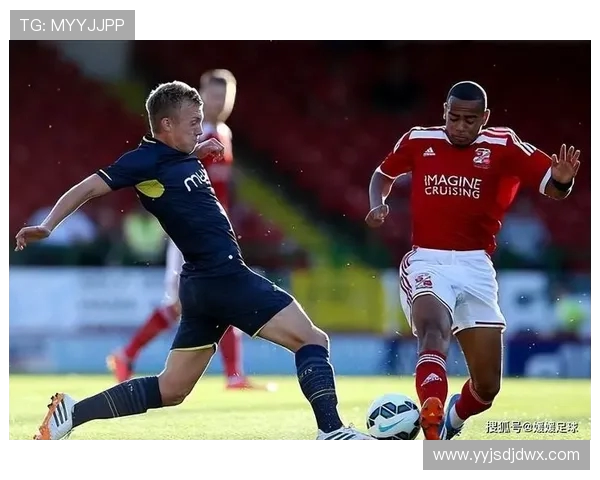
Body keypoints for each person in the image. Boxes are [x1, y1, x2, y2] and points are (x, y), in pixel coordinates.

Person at [16, 80, 373, 441]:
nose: (200, 128)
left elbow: (175, 166)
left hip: (201, 285)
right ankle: (332, 431)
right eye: (193, 122)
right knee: (311, 339)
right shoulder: (143, 160)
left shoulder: (178, 154)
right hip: (223, 276)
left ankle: (71, 413)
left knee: (172, 388)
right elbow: (88, 187)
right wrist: (48, 225)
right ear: (166, 124)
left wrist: (197, 151)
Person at [365, 80, 581, 440]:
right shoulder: (418, 139)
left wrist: (562, 182)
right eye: (454, 118)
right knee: (433, 330)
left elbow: (552, 186)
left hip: (476, 267)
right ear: (444, 112)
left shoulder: (504, 144)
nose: (460, 127)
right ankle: (432, 417)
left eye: (470, 120)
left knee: (487, 388)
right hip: (427, 260)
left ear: (485, 117)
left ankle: (452, 418)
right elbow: (382, 175)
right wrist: (377, 203)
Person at [106, 70, 271, 391]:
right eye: (214, 95)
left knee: (201, 299)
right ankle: (230, 375)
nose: (220, 102)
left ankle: (130, 355)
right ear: (201, 96)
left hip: (213, 232)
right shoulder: (189, 136)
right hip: (190, 232)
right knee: (198, 299)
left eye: (226, 96)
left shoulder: (223, 133)